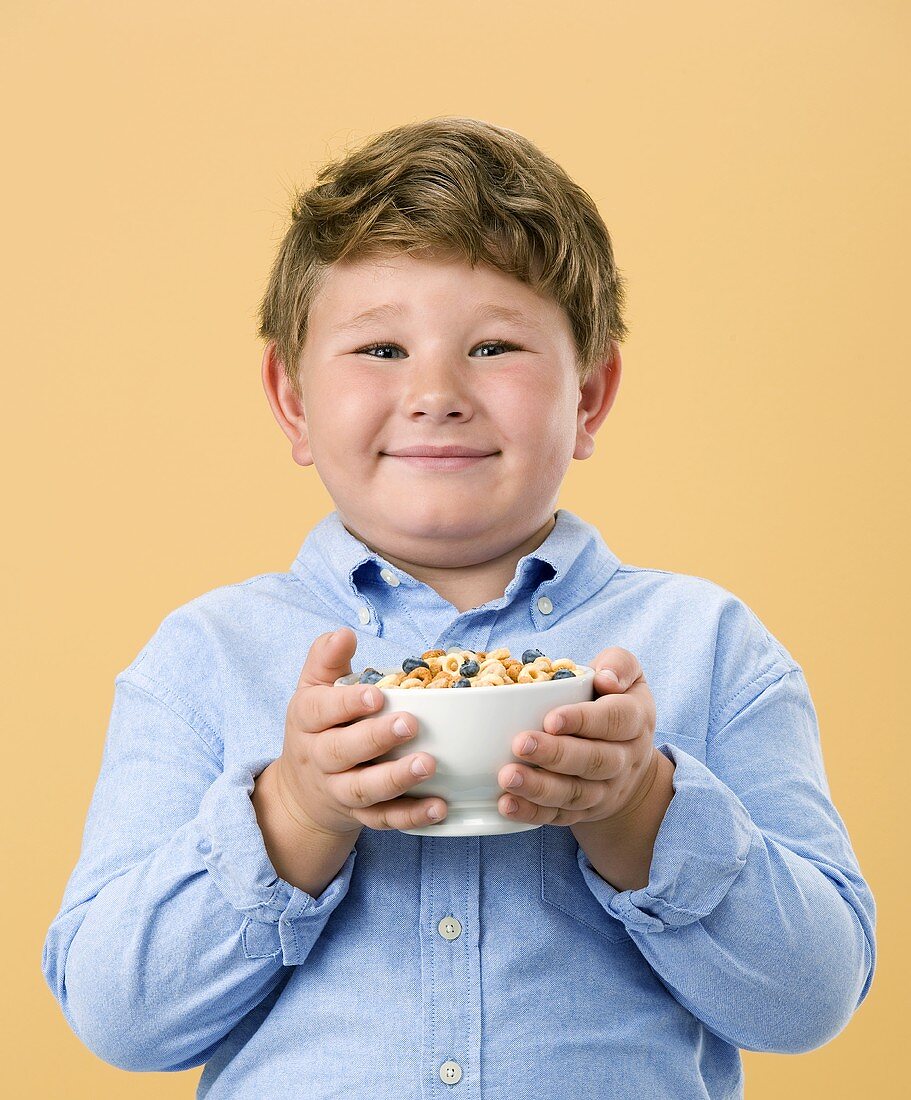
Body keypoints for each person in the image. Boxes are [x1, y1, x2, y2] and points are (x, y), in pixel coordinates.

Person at [42, 116, 875, 1098]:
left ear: (590, 394)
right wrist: (296, 811)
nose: (435, 391)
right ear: (292, 399)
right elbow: (118, 1015)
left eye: (492, 345)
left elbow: (811, 997)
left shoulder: (707, 646)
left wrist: (640, 809)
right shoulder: (204, 657)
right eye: (381, 348)